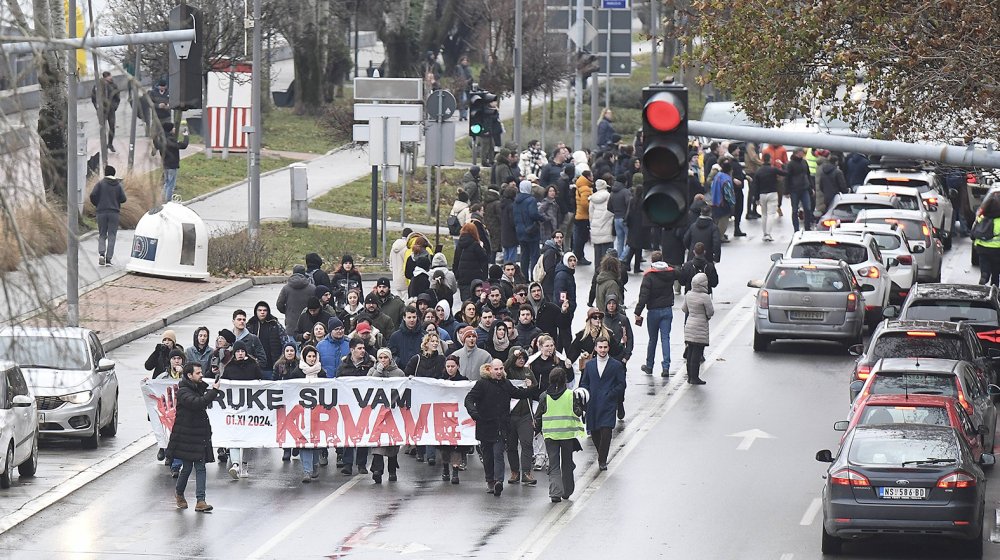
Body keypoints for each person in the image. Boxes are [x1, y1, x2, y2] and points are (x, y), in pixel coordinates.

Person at [464, 359, 536, 497]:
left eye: (501, 369)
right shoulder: (482, 384)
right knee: (488, 456)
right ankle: (490, 480)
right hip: (485, 425)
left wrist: (531, 388)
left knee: (498, 453)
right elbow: (469, 399)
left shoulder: (506, 384)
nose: (498, 372)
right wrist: (474, 413)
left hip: (501, 426)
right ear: (490, 370)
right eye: (496, 369)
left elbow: (519, 394)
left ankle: (499, 481)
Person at [166, 363, 219, 512]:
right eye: (198, 373)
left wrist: (206, 381)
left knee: (201, 467)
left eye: (201, 372)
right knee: (187, 468)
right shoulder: (183, 392)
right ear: (189, 376)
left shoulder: (196, 387)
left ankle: (200, 500)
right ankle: (179, 493)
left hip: (199, 435)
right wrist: (214, 391)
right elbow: (197, 403)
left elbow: (201, 389)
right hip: (187, 437)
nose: (201, 375)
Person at [533, 367, 585, 502]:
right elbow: (578, 412)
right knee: (567, 463)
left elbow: (538, 416)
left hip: (550, 436)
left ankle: (555, 493)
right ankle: (567, 490)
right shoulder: (570, 395)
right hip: (567, 435)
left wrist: (536, 430)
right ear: (564, 380)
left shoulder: (544, 396)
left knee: (554, 464)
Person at [578, 337, 626, 470]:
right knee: (595, 432)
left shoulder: (616, 365)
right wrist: (585, 394)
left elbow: (621, 384)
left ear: (608, 348)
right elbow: (584, 382)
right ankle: (602, 453)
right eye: (600, 347)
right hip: (592, 404)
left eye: (605, 347)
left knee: (606, 431)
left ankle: (602, 460)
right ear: (595, 348)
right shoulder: (590, 365)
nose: (603, 350)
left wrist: (611, 395)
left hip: (608, 404)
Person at [634, 251, 680, 376]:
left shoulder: (649, 276)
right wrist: (668, 265)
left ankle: (649, 366)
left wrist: (638, 311)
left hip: (653, 311)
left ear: (652, 262)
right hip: (667, 310)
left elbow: (644, 295)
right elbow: (680, 272)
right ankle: (666, 367)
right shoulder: (670, 272)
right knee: (665, 339)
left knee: (652, 340)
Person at [221, 341, 262, 479]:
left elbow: (260, 383)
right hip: (234, 409)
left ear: (245, 353)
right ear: (234, 353)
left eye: (242, 351)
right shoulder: (229, 368)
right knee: (234, 436)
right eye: (237, 351)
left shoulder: (253, 366)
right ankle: (236, 464)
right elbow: (223, 385)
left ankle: (244, 463)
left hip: (250, 408)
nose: (240, 353)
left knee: (247, 438)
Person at [368, 347, 406, 483]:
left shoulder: (399, 373)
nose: (383, 360)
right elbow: (368, 385)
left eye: (385, 358)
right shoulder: (373, 371)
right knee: (378, 441)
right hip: (377, 412)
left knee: (392, 442)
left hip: (393, 412)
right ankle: (377, 469)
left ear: (390, 359)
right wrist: (378, 372)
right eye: (380, 358)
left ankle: (392, 470)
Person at [338, 338, 375, 474]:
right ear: (352, 349)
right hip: (349, 406)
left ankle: (361, 464)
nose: (362, 350)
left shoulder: (370, 364)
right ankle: (347, 464)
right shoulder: (344, 366)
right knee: (348, 434)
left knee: (363, 434)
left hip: (364, 406)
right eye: (359, 348)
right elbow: (338, 384)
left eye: (363, 348)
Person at [286, 345, 323, 480]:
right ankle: (307, 470)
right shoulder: (297, 373)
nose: (312, 359)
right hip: (301, 412)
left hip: (318, 412)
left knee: (315, 440)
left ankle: (314, 464)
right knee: (304, 440)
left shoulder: (322, 372)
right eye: (309, 356)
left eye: (314, 356)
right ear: (304, 357)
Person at [503, 346, 538, 486]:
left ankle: (526, 472)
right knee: (511, 445)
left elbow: (535, 388)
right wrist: (513, 356)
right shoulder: (508, 372)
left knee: (526, 443)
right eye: (518, 358)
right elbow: (505, 367)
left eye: (523, 357)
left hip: (525, 414)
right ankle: (514, 472)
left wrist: (531, 386)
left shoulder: (528, 371)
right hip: (511, 415)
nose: (521, 360)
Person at [437, 354, 468, 484]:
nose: (450, 369)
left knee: (456, 445)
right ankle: (445, 468)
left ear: (458, 366)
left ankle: (455, 471)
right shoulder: (439, 381)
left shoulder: (464, 380)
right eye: (448, 366)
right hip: (443, 416)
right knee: (445, 445)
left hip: (458, 416)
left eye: (452, 366)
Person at [90, 165, 126, 267]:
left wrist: (97, 204)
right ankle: (108, 259)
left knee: (102, 234)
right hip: (114, 213)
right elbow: (123, 199)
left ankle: (101, 254)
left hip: (101, 212)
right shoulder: (118, 185)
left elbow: (92, 195)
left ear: (105, 173)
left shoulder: (100, 184)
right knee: (112, 236)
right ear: (114, 174)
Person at [682, 272, 714, 385]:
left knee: (690, 351)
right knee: (697, 353)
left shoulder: (688, 294)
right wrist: (706, 316)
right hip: (700, 327)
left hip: (690, 325)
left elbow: (684, 309)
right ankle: (695, 377)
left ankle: (690, 376)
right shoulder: (705, 297)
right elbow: (710, 312)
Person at [513, 180, 545, 279]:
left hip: (520, 231)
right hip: (531, 231)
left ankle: (524, 277)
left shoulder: (516, 200)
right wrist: (541, 218)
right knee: (534, 255)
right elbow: (533, 214)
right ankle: (534, 277)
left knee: (524, 255)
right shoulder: (531, 200)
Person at [753, 153, 787, 242]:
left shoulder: (759, 171)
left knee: (764, 215)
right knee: (771, 214)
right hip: (772, 193)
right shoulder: (773, 170)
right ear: (770, 159)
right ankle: (768, 234)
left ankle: (764, 233)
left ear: (763, 159)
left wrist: (756, 198)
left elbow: (756, 186)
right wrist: (783, 165)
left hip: (762, 194)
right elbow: (785, 173)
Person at [156, 122, 189, 203]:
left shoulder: (162, 138)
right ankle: (167, 201)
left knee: (166, 183)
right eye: (173, 128)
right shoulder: (171, 140)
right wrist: (186, 136)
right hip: (172, 164)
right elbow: (183, 145)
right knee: (171, 184)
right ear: (170, 129)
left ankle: (162, 199)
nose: (174, 129)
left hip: (165, 164)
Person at [277, 265, 314, 334]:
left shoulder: (286, 288)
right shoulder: (312, 288)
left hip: (291, 325)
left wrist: (288, 311)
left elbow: (279, 304)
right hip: (308, 325)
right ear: (304, 273)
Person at [91, 71, 121, 152]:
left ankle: (110, 144)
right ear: (105, 78)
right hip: (101, 110)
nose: (110, 78)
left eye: (110, 76)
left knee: (112, 127)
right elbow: (93, 98)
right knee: (102, 128)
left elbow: (117, 98)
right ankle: (104, 145)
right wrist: (97, 107)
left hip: (111, 110)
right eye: (108, 77)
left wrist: (114, 107)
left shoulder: (114, 86)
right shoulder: (97, 86)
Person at [974, 194, 1000, 285]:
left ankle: (984, 275)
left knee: (984, 265)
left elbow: (974, 231)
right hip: (997, 250)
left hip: (982, 248)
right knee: (996, 272)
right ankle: (995, 290)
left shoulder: (981, 218)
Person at [786, 148, 813, 232]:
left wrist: (811, 187)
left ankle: (807, 227)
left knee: (807, 208)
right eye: (801, 152)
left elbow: (808, 175)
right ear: (796, 153)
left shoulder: (804, 162)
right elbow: (787, 177)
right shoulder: (790, 164)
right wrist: (786, 191)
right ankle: (796, 229)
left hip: (805, 188)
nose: (802, 154)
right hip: (794, 190)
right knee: (795, 210)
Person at [589, 178, 614, 262]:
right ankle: (606, 268)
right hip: (607, 225)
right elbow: (611, 210)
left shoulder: (593, 198)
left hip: (596, 226)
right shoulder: (609, 196)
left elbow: (591, 213)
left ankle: (597, 269)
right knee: (607, 252)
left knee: (597, 251)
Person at [710, 159, 736, 240]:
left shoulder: (718, 175)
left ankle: (717, 236)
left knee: (716, 222)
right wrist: (732, 204)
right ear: (730, 170)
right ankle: (718, 238)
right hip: (723, 204)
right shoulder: (726, 180)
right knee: (723, 223)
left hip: (715, 202)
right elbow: (728, 194)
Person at [573, 171, 595, 265]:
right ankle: (579, 257)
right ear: (588, 177)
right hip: (583, 217)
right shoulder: (585, 188)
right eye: (591, 175)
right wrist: (592, 207)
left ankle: (578, 255)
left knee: (579, 238)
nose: (593, 177)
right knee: (581, 239)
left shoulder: (580, 186)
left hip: (579, 215)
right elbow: (584, 203)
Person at [390, 228, 414, 298]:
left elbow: (391, 264)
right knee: (406, 301)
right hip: (405, 280)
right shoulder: (407, 249)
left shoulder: (393, 248)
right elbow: (409, 264)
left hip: (396, 278)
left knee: (399, 300)